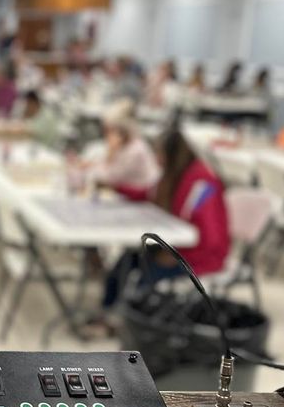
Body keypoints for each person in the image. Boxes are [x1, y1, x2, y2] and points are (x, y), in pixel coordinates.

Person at [98, 129, 230, 314]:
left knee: (147, 276)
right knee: (127, 259)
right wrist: (116, 188)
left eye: (159, 153)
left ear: (172, 154)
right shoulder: (171, 177)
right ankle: (108, 311)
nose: (156, 159)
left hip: (199, 258)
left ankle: (134, 319)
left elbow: (211, 238)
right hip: (175, 247)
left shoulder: (204, 185)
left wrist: (180, 257)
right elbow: (148, 195)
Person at [92, 114, 161, 198]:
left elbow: (110, 178)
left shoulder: (135, 150)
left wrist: (110, 153)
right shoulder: (124, 147)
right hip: (135, 192)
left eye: (110, 133)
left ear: (121, 134)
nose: (107, 138)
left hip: (146, 194)